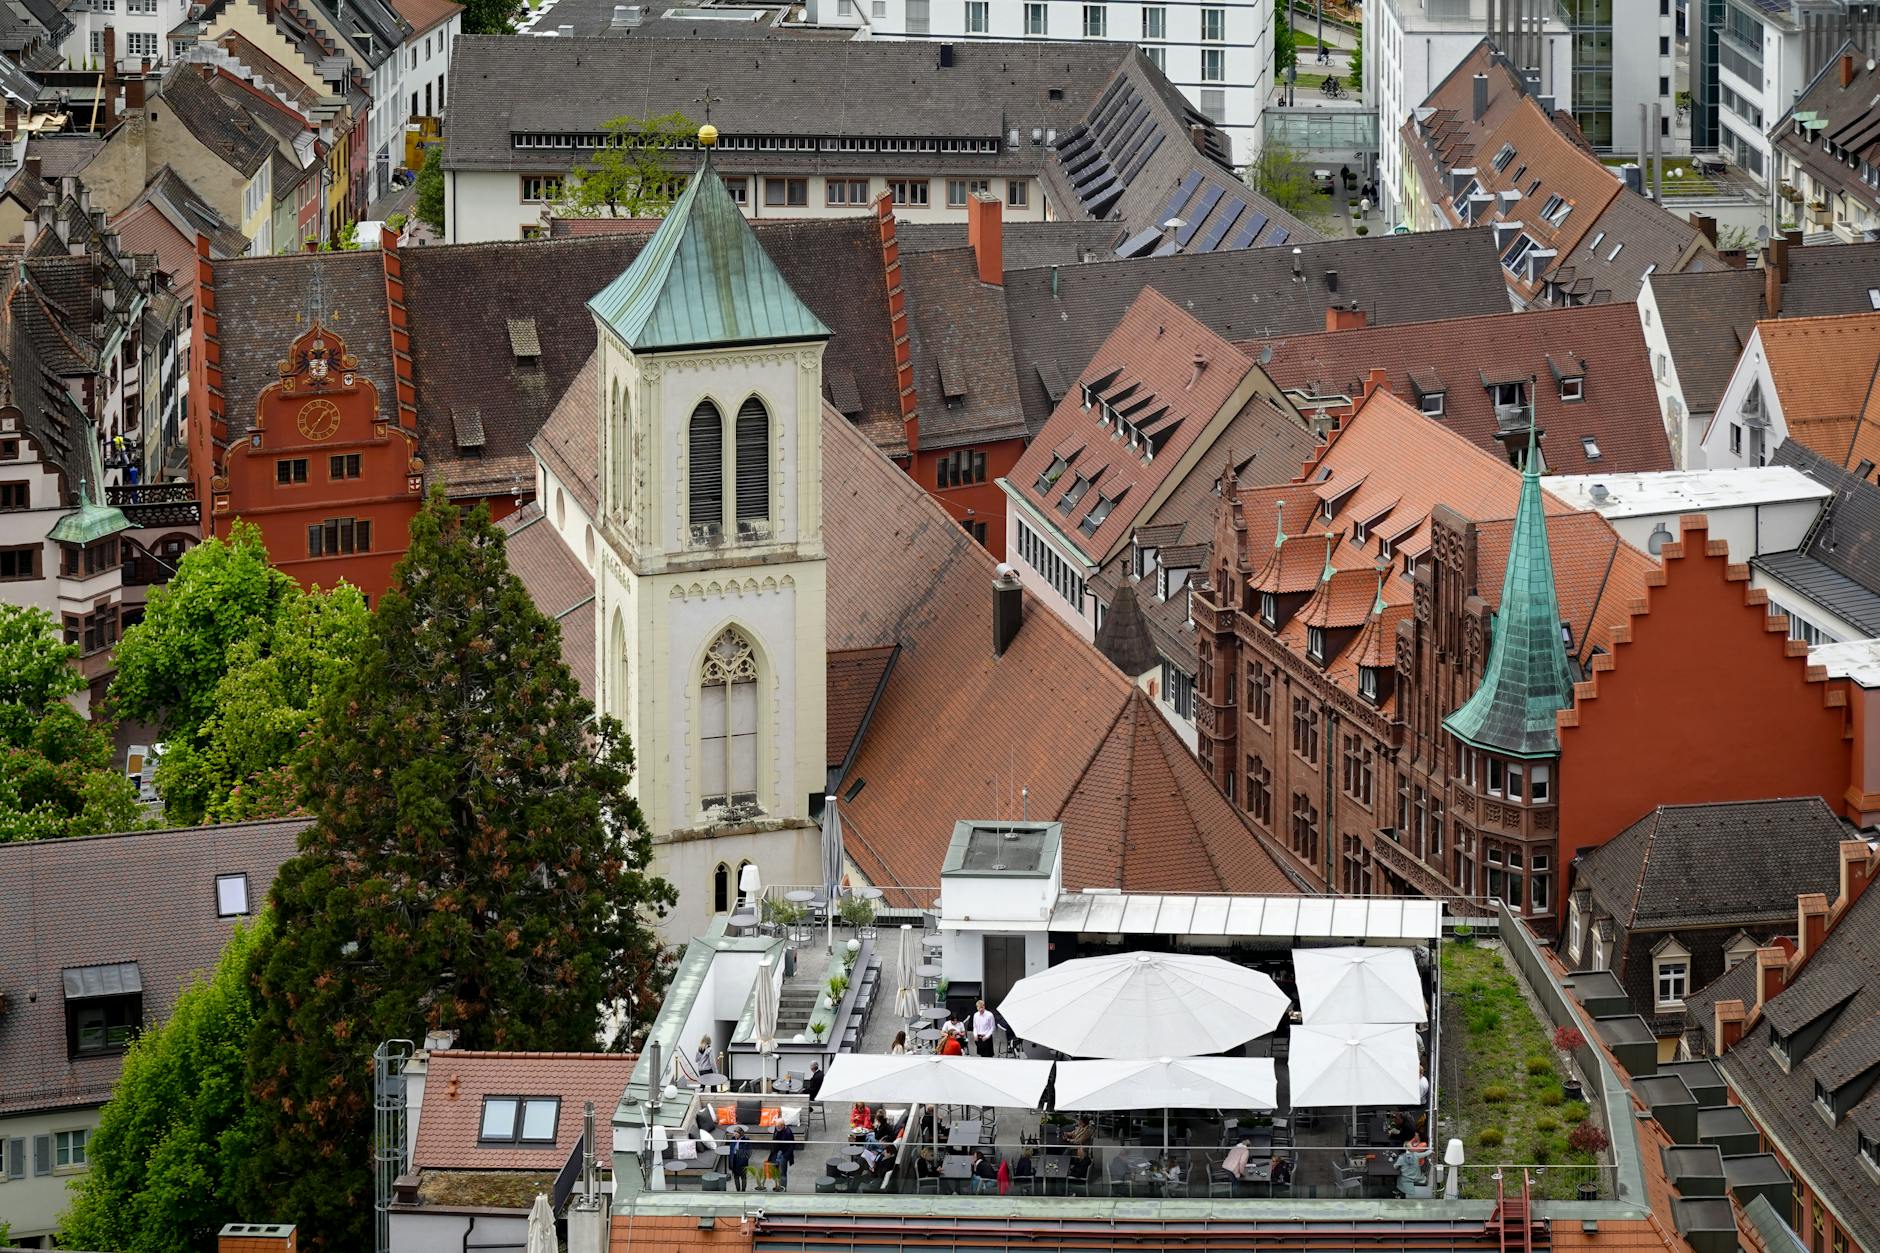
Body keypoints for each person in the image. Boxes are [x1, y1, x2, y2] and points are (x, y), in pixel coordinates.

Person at [768, 1119, 797, 1189]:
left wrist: (785, 1156)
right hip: (777, 1152)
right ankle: (777, 1186)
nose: (777, 1127)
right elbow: (774, 1139)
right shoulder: (777, 1129)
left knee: (783, 1173)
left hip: (784, 1153)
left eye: (779, 1126)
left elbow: (792, 1145)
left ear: (783, 1125)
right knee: (775, 1170)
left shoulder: (788, 1132)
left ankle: (783, 1188)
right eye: (776, 1126)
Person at [726, 1127, 750, 1191]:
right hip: (734, 1160)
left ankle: (743, 1190)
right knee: (736, 1177)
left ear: (740, 1134)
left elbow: (747, 1153)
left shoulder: (746, 1140)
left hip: (742, 1161)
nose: (735, 1135)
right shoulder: (733, 1139)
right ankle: (738, 1190)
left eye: (736, 1134)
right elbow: (731, 1151)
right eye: (734, 1133)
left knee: (743, 1177)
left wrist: (738, 1152)